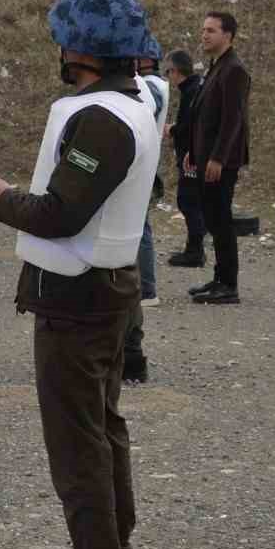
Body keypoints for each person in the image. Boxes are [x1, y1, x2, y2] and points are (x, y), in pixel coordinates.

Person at [0, 0, 157, 549]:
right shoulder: (132, 104)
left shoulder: (102, 118)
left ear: (81, 46)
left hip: (77, 298)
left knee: (78, 444)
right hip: (100, 291)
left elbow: (62, 212)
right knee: (100, 429)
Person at [185, 11, 250, 305]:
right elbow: (203, 117)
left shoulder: (234, 70)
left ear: (228, 36)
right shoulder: (217, 67)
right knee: (212, 218)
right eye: (203, 30)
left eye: (211, 30)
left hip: (220, 161)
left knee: (221, 220)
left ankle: (229, 285)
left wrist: (218, 158)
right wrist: (192, 152)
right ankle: (219, 278)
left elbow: (232, 120)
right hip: (205, 157)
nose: (204, 35)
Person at [122, 39, 170, 383]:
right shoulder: (156, 84)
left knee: (137, 235)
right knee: (141, 231)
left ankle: (147, 288)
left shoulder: (149, 86)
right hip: (145, 166)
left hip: (138, 170)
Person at [163, 48, 206, 266]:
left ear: (176, 70)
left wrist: (172, 130)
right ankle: (194, 249)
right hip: (194, 152)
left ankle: (195, 252)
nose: (167, 76)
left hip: (192, 155)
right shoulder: (194, 88)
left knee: (188, 201)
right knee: (192, 201)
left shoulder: (192, 91)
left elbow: (190, 126)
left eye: (168, 71)